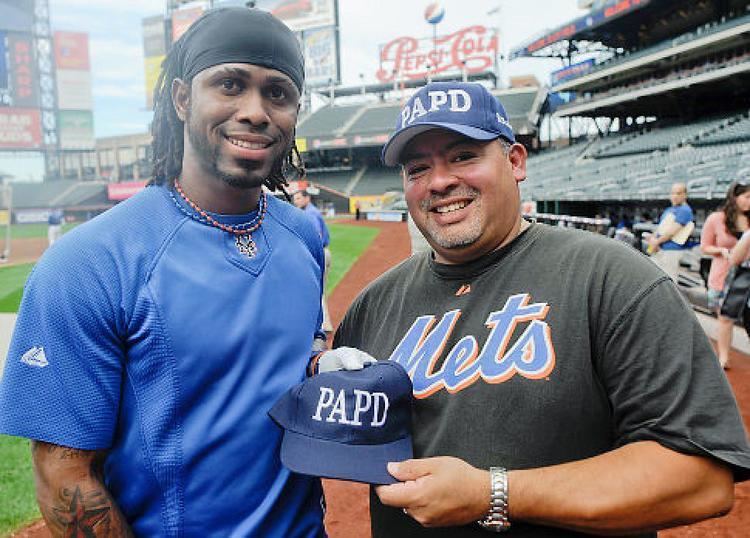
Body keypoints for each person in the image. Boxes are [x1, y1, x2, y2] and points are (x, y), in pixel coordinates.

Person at [333, 81, 750, 537]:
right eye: (417, 168)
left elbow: (701, 479)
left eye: (463, 156)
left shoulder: (613, 279)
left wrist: (493, 493)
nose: (439, 181)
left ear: (515, 162)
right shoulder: (371, 306)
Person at [0, 8, 329, 536]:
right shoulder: (88, 262)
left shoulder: (305, 236)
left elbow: (294, 354)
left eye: (278, 93)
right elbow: (63, 473)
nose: (255, 111)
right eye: (229, 84)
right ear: (181, 99)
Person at [700, 180, 750, 368]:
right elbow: (704, 246)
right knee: (725, 317)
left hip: (747, 275)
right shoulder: (716, 218)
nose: (749, 202)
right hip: (724, 274)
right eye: (746, 197)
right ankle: (723, 356)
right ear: (735, 197)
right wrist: (720, 251)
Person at [294, 188, 333, 333]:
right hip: (323, 252)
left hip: (317, 252)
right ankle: (325, 324)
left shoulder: (310, 214)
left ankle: (322, 325)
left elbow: (316, 237)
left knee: (315, 290)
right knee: (319, 290)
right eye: (295, 199)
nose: (296, 201)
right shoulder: (311, 212)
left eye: (298, 198)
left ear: (307, 198)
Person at [647, 182, 695, 280]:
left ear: (685, 195)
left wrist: (656, 241)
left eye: (678, 193)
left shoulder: (685, 210)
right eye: (673, 193)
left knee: (669, 280)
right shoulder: (669, 209)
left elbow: (672, 232)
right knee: (653, 278)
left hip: (671, 250)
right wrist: (653, 239)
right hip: (659, 249)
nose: (674, 196)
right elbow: (660, 228)